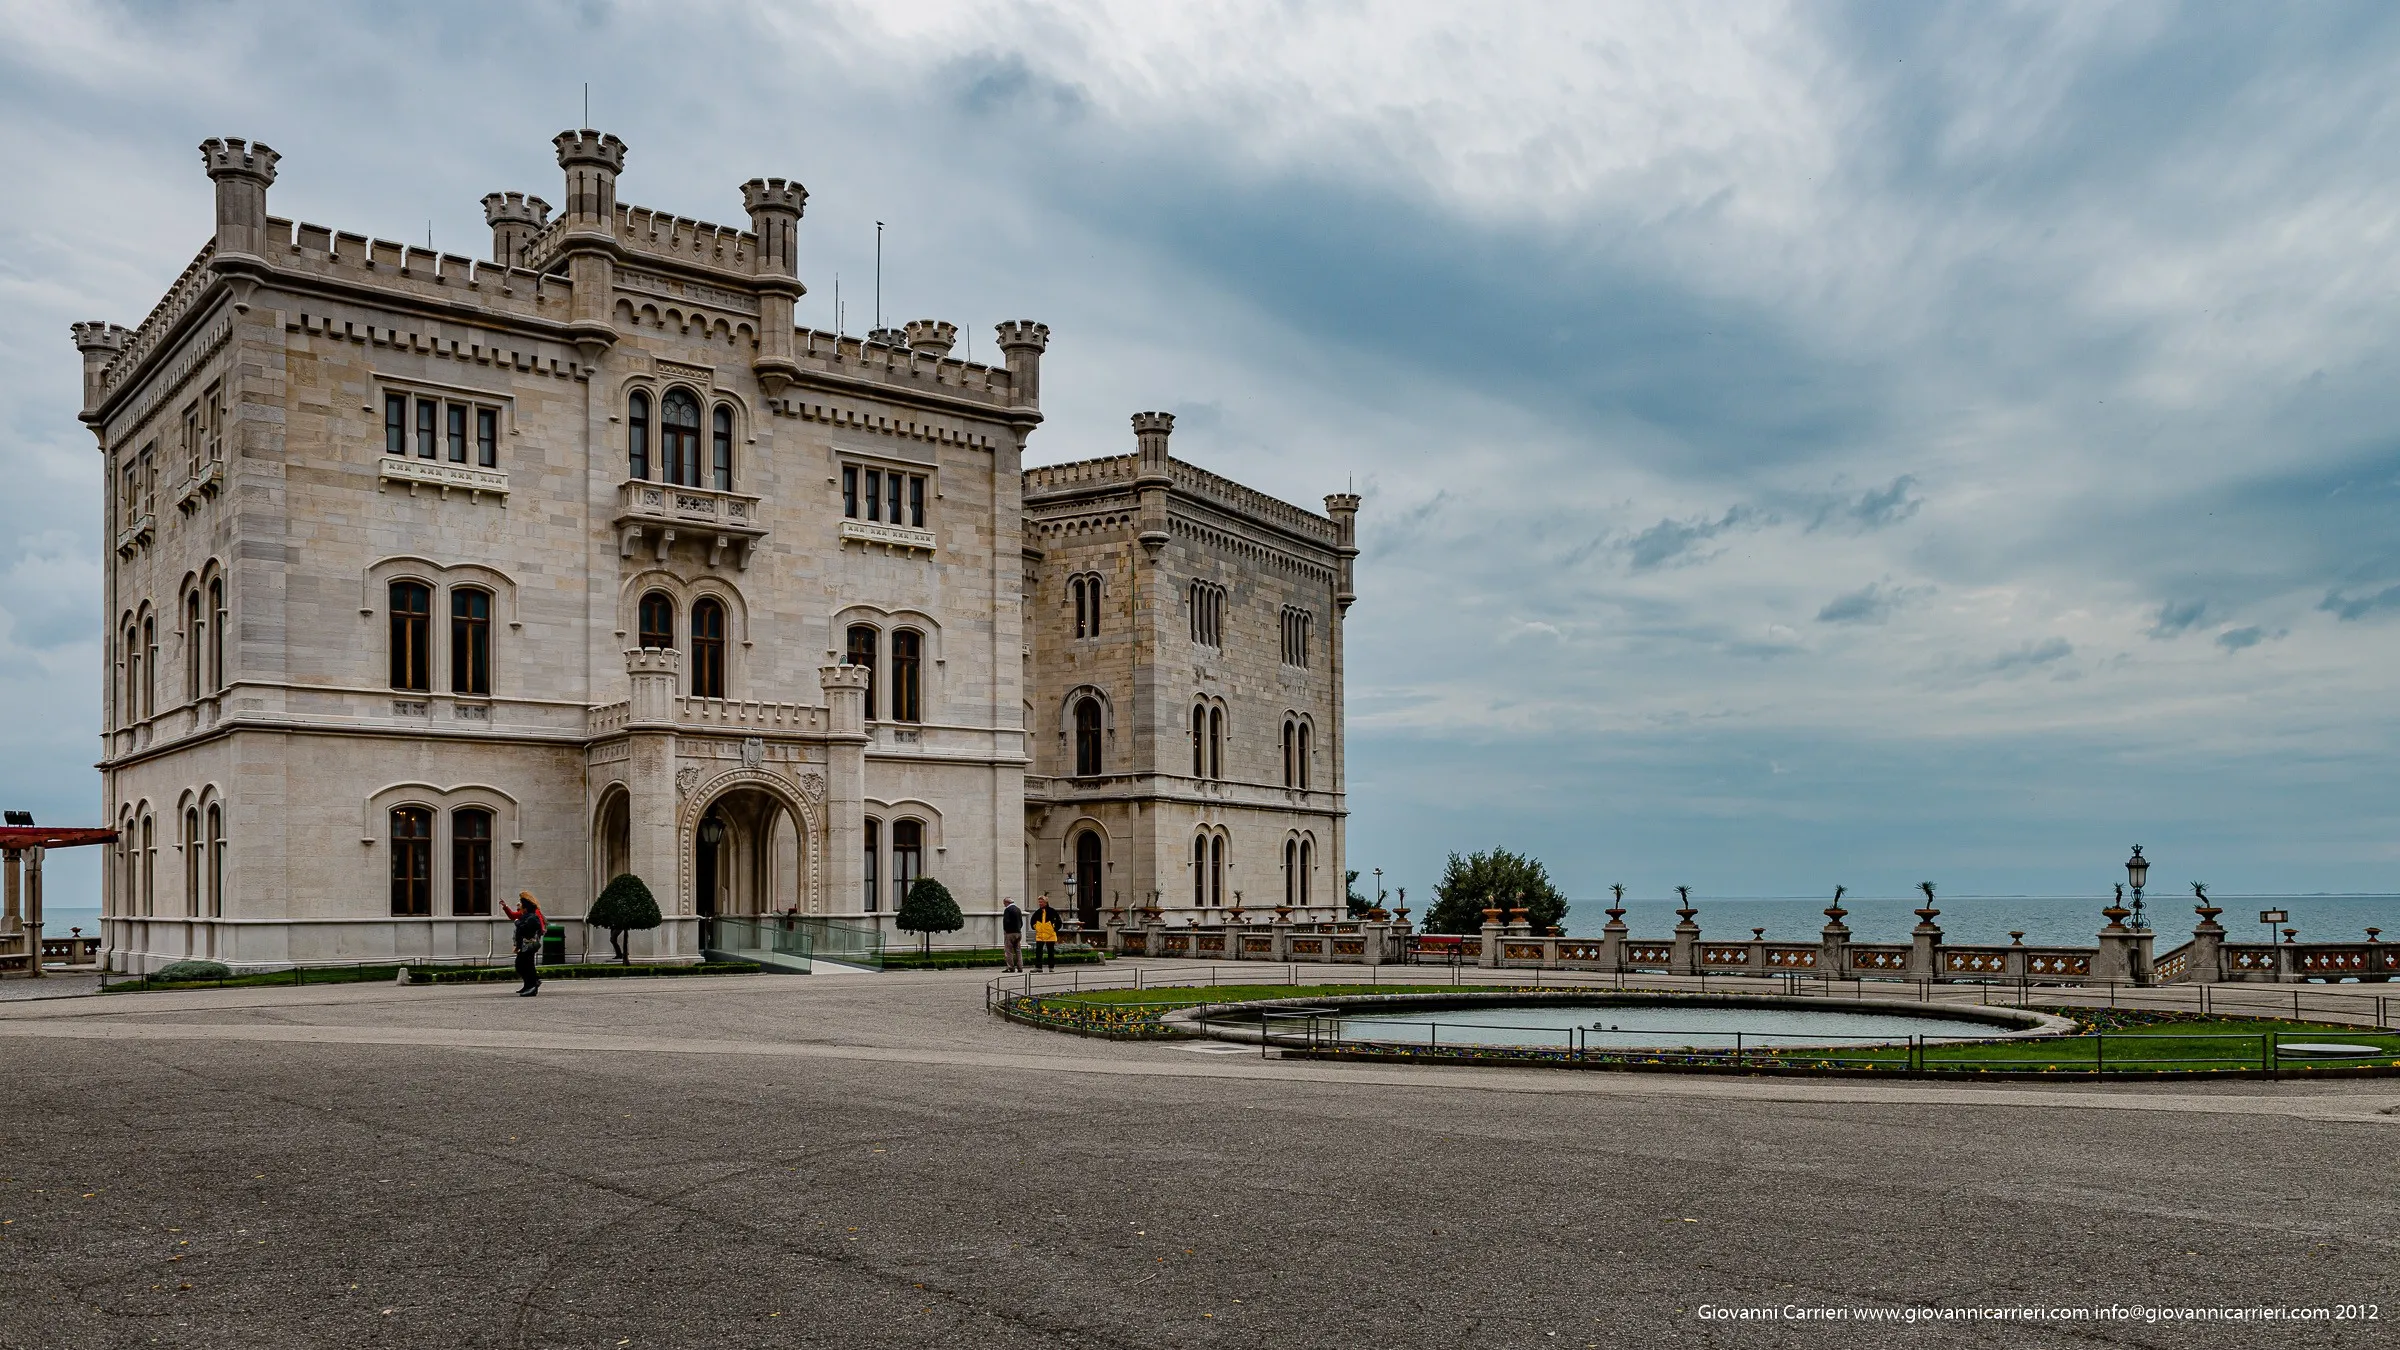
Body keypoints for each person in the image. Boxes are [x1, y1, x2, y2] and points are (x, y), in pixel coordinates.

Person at [501, 890, 545, 996]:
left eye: (520, 908)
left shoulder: (533, 915)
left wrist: (517, 922)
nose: (519, 910)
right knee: (523, 964)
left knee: (526, 965)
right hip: (524, 944)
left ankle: (532, 985)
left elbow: (528, 926)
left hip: (529, 943)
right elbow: (513, 916)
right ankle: (529, 985)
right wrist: (505, 907)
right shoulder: (525, 914)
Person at [1030, 894, 1061, 974]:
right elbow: (1032, 921)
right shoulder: (1037, 912)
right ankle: (1038, 967)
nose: (1040, 904)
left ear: (1045, 902)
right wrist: (1035, 926)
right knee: (1038, 952)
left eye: (1041, 902)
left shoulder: (1052, 911)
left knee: (1051, 952)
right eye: (1039, 902)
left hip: (1050, 935)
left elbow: (1059, 922)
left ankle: (1051, 967)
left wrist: (1054, 929)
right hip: (1040, 935)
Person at [1000, 897, 1025, 973]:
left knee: (1008, 951)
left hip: (1010, 933)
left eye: (1004, 903)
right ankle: (1020, 967)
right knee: (1018, 950)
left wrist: (1006, 930)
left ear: (1007, 902)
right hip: (1018, 932)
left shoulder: (1008, 909)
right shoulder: (1018, 909)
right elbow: (1021, 922)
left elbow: (1006, 921)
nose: (1004, 905)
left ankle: (1011, 967)